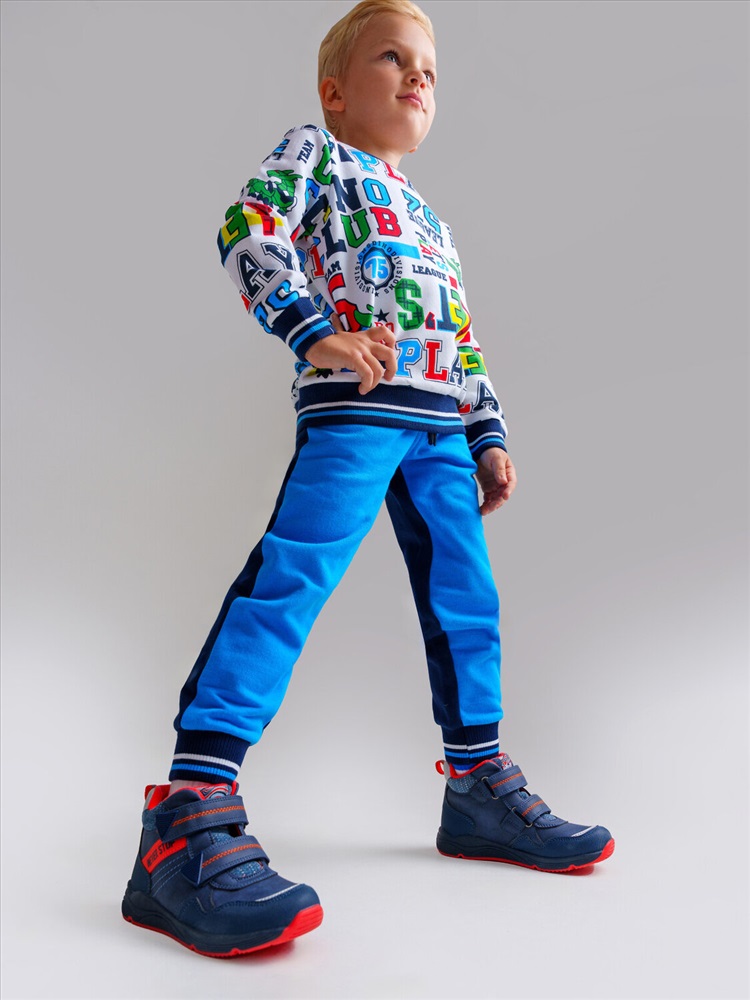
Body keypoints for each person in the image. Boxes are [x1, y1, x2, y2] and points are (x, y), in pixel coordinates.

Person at [122, 0, 614, 959]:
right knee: (291, 580)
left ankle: (477, 786)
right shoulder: (316, 154)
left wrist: (485, 430)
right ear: (337, 91)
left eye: (429, 66)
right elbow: (246, 226)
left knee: (468, 600)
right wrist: (313, 332)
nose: (419, 75)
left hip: (439, 431)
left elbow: (459, 335)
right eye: (393, 57)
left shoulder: (431, 219)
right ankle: (188, 809)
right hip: (356, 409)